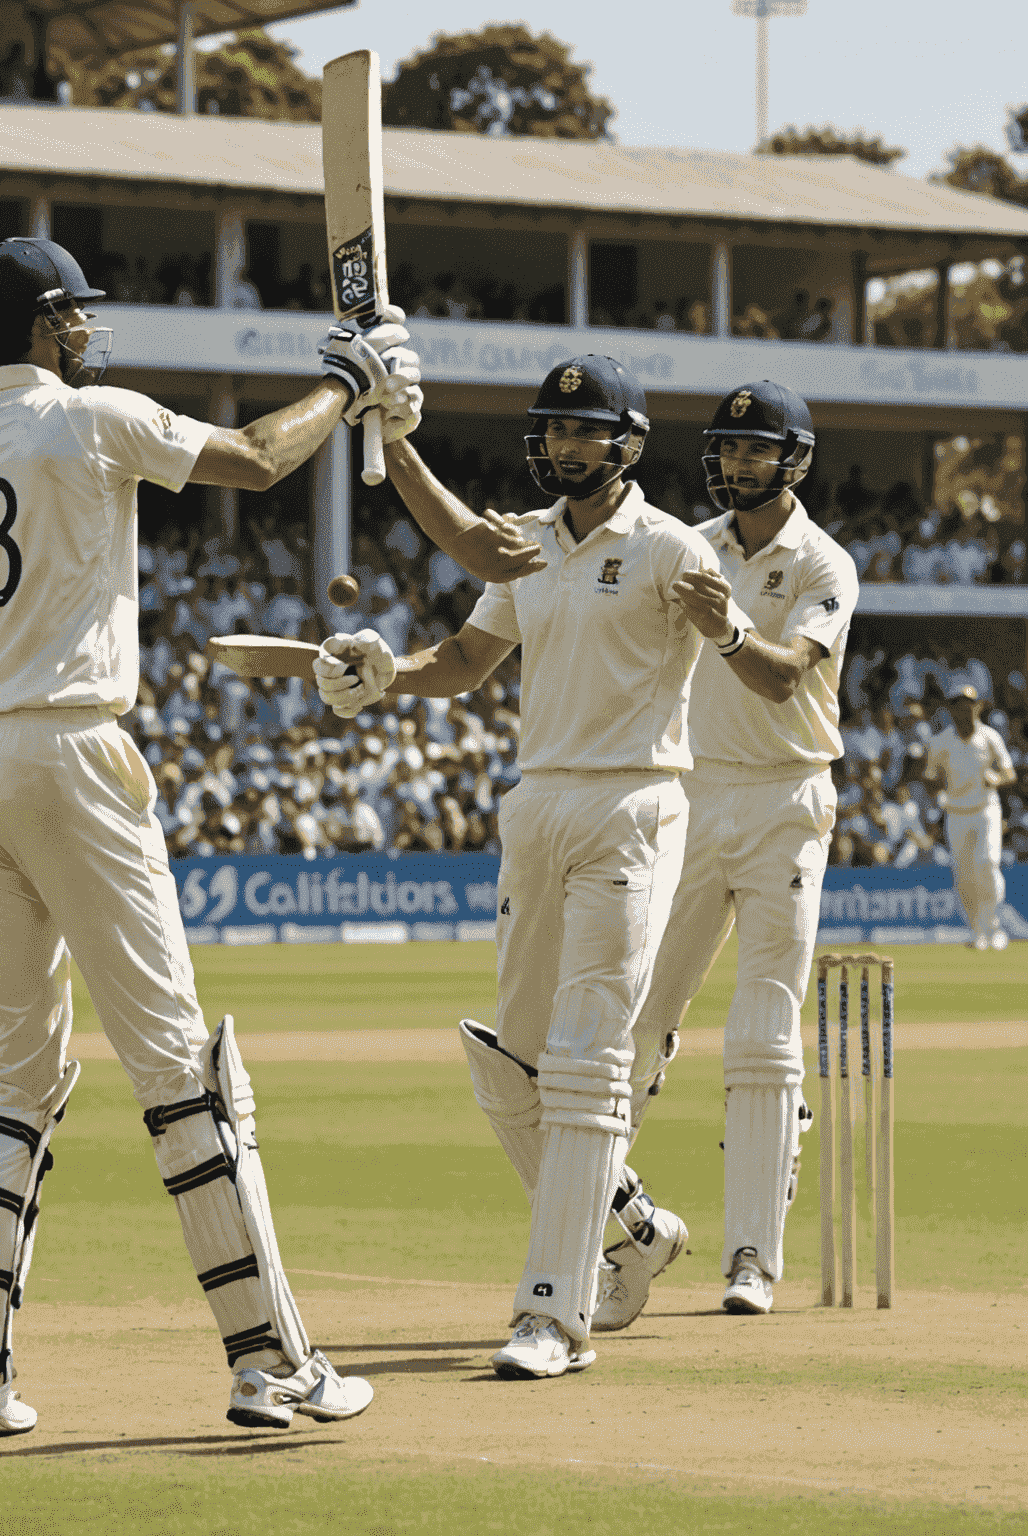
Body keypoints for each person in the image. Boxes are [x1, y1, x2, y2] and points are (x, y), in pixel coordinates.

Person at [0, 236, 422, 1437]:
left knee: (10, 1076)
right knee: (183, 1070)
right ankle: (271, 1358)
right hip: (70, 752)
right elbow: (258, 460)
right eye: (73, 318)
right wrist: (351, 378)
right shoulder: (88, 417)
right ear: (46, 323)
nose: (85, 334)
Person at [314, 355, 732, 1379]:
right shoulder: (530, 547)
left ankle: (555, 1311)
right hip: (538, 800)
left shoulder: (672, 548)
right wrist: (385, 677)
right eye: (552, 430)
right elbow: (459, 663)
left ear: (628, 444)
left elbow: (745, 655)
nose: (561, 446)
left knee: (588, 1056)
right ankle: (633, 1227)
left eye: (582, 431)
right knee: (511, 1066)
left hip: (634, 800)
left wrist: (392, 435)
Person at [602, 381, 860, 1326]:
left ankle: (751, 1255)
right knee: (635, 1019)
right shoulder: (690, 546)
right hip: (690, 797)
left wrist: (727, 626)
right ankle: (604, 1231)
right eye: (730, 448)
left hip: (786, 800)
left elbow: (785, 680)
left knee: (760, 1032)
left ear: (793, 459)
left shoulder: (826, 563)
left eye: (758, 450)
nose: (739, 464)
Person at [925, 685, 1016, 950]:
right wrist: (939, 793)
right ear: (951, 710)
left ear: (978, 707)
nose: (963, 709)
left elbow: (1010, 773)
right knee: (964, 875)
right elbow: (930, 776)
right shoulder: (940, 742)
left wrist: (997, 778)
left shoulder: (990, 737)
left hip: (986, 810)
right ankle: (977, 930)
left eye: (968, 704)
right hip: (956, 814)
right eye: (957, 704)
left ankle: (994, 927)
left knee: (987, 863)